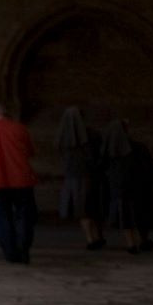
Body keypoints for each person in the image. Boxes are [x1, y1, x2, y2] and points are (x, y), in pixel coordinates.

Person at [0, 101, 38, 264]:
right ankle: (24, 248)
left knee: (2, 218)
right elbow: (30, 152)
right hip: (21, 180)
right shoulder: (19, 128)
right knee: (24, 217)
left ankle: (11, 253)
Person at [99, 119, 153, 253]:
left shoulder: (107, 152)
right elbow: (149, 168)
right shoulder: (138, 147)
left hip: (119, 189)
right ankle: (142, 240)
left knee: (126, 216)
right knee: (140, 214)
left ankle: (131, 243)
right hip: (138, 187)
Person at [57, 105, 105, 249]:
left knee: (83, 211)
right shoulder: (92, 135)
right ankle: (97, 236)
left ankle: (91, 238)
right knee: (92, 209)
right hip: (90, 176)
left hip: (73, 178)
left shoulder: (62, 138)